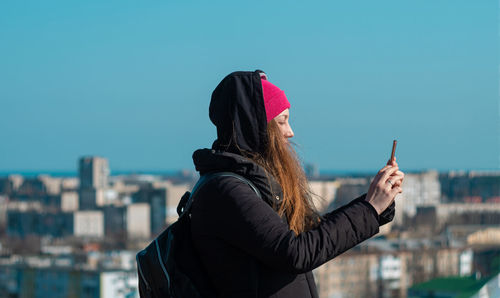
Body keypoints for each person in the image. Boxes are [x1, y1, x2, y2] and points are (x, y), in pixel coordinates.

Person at [190, 70, 404, 298]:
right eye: (281, 121)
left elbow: (309, 233)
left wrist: (376, 203)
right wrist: (369, 209)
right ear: (256, 127)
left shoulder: (248, 183)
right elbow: (295, 252)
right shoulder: (227, 191)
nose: (290, 132)